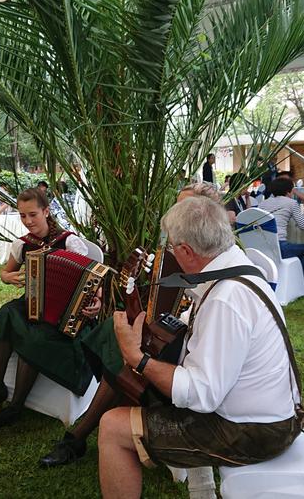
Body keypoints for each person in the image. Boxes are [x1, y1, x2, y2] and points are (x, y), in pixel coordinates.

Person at [97, 197, 303, 499]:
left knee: (112, 427)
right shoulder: (236, 265)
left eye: (171, 247)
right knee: (160, 388)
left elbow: (200, 394)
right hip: (269, 415)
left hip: (255, 432)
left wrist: (136, 357)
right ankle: (203, 491)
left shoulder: (226, 299)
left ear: (185, 251)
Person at [37, 183, 221, 468]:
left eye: (183, 209)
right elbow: (147, 313)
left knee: (124, 359)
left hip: (192, 355)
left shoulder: (213, 261)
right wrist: (131, 286)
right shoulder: (170, 253)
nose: (174, 215)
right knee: (116, 334)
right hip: (162, 340)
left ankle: (80, 435)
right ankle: (101, 426)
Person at [0, 188, 102, 429]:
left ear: (46, 211)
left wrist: (97, 301)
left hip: (67, 314)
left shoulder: (69, 241)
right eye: (23, 216)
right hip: (33, 306)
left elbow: (92, 278)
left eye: (33, 214)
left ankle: (16, 406)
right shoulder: (22, 245)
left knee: (36, 337)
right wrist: (8, 278)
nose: (28, 221)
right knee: (6, 313)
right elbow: (6, 273)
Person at [259, 177, 304, 273]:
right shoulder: (292, 203)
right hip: (280, 247)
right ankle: (298, 282)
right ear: (288, 192)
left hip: (261, 247)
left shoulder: (262, 203)